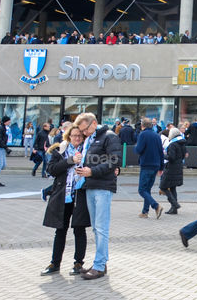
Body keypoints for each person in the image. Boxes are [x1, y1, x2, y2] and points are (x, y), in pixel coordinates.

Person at [74, 112, 121, 280]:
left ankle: (99, 266)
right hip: (90, 185)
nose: (83, 133)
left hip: (102, 186)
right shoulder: (91, 138)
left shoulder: (109, 137)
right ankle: (100, 262)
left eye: (85, 129)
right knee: (96, 227)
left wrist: (91, 171)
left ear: (93, 123)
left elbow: (114, 161)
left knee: (101, 228)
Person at [40, 125, 90, 276]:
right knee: (60, 230)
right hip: (63, 196)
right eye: (74, 135)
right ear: (69, 136)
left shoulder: (88, 151)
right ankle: (55, 263)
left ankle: (78, 263)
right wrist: (70, 161)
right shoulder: (61, 150)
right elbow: (51, 169)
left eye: (80, 136)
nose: (77, 138)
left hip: (80, 196)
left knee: (79, 229)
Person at [134, 118, 164, 219]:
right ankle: (145, 212)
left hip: (146, 164)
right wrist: (161, 167)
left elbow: (138, 149)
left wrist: (136, 146)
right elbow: (161, 152)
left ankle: (156, 206)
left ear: (143, 125)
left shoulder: (143, 134)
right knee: (147, 189)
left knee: (142, 190)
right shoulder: (156, 135)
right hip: (155, 165)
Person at [161, 127, 186, 214]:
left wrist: (163, 155)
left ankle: (175, 204)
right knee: (172, 188)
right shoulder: (182, 143)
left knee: (163, 186)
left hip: (171, 168)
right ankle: (174, 209)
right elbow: (183, 155)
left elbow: (171, 158)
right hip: (178, 167)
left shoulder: (172, 144)